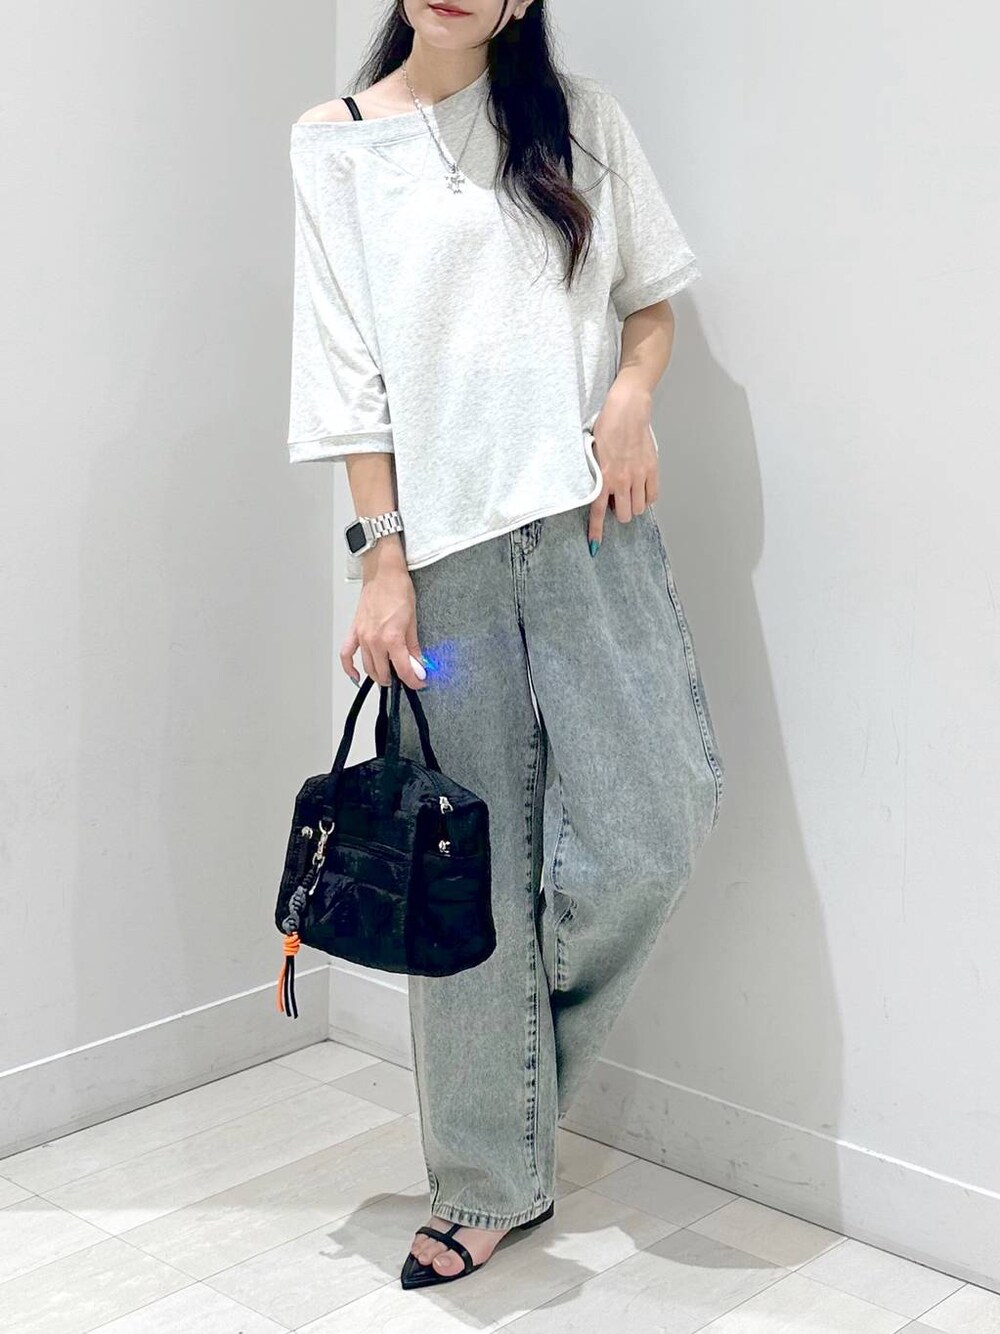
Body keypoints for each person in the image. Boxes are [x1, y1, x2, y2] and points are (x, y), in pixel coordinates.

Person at [286, 0, 726, 1291]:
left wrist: (631, 396)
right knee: (468, 874)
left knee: (656, 828)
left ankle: (507, 1109)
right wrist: (381, 563)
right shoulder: (337, 142)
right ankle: (483, 1181)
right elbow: (349, 376)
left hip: (594, 533)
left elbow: (651, 302)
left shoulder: (580, 123)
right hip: (446, 575)